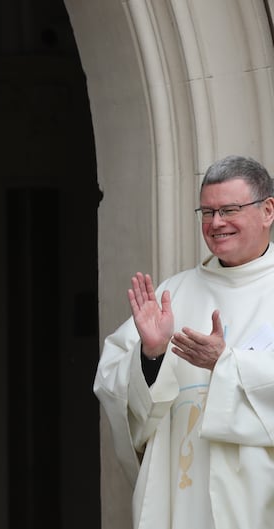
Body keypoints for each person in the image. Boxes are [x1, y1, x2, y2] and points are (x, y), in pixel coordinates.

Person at [95, 154, 274, 529]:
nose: (216, 223)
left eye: (229, 209)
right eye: (206, 212)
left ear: (268, 210)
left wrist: (227, 363)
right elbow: (111, 384)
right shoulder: (173, 292)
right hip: (182, 492)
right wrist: (151, 356)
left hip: (258, 498)